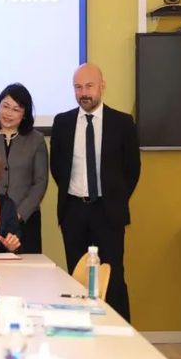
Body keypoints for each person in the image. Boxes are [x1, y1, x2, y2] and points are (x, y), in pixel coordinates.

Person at [50, 63, 140, 322]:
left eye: (89, 86)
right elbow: (58, 167)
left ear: (102, 86)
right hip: (74, 212)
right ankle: (82, 329)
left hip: (108, 212)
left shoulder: (122, 123)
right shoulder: (62, 123)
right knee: (77, 278)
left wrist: (114, 198)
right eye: (78, 87)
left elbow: (132, 170)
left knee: (113, 278)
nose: (83, 93)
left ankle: (120, 333)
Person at [0, 83, 48, 253]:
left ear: (24, 114)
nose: (8, 113)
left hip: (26, 219)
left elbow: (40, 182)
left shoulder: (36, 140)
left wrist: (19, 214)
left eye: (16, 109)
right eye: (5, 106)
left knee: (26, 266)